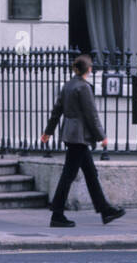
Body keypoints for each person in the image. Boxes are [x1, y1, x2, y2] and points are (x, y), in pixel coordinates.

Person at [41, 54, 126, 228]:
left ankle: (105, 210)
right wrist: (101, 136)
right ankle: (57, 214)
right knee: (69, 175)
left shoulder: (68, 85)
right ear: (89, 69)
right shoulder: (83, 88)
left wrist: (48, 132)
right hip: (79, 137)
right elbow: (91, 115)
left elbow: (56, 111)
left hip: (70, 135)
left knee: (90, 173)